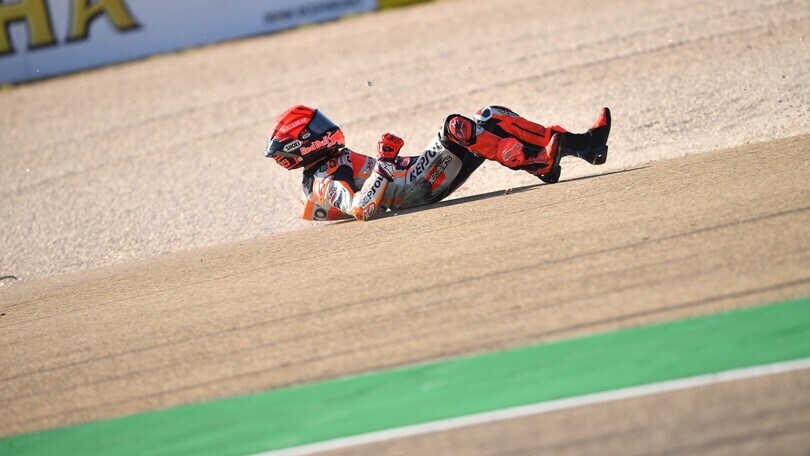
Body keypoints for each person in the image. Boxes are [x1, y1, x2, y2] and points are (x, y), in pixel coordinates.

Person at [264, 105, 611, 221]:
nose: (328, 129)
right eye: (317, 128)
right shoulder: (322, 180)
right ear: (303, 144)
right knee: (455, 127)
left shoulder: (332, 161)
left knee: (489, 117)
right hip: (411, 190)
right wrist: (385, 161)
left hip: (415, 173)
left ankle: (586, 146)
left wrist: (391, 161)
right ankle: (539, 164)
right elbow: (361, 209)